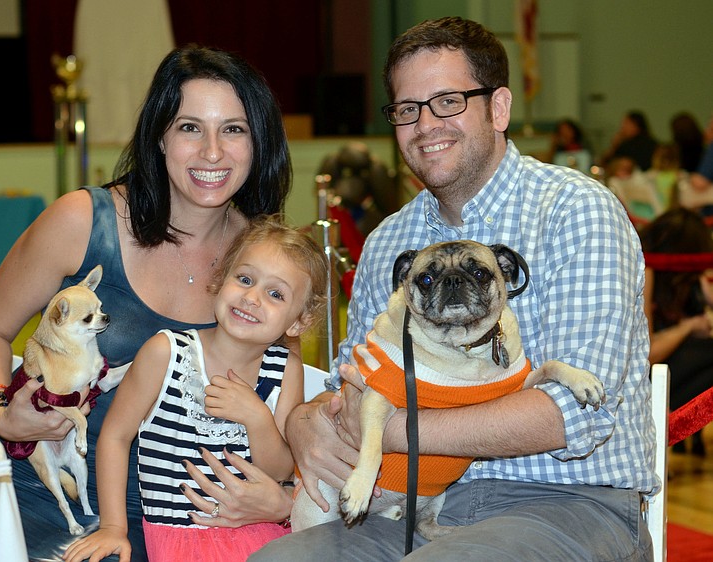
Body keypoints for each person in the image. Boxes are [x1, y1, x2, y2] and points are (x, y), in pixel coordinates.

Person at [251, 16, 656, 561]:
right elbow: (354, 379)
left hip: (566, 500)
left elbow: (574, 414)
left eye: (447, 101)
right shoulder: (389, 241)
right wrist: (304, 422)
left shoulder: (576, 211)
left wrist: (397, 431)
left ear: (500, 108)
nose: (424, 125)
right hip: (409, 505)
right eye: (407, 109)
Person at [0, 45, 292, 561]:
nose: (212, 152)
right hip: (51, 491)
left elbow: (280, 398)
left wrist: (282, 497)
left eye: (234, 129)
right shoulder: (84, 222)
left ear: (258, 144)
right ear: (160, 137)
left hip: (193, 518)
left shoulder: (266, 262)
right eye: (189, 127)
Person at [63, 217, 328, 562]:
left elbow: (279, 471)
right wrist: (114, 527)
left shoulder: (284, 369)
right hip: (182, 539)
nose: (251, 297)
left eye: (275, 294)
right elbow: (115, 435)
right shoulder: (165, 352)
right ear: (221, 281)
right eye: (244, 279)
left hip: (263, 534)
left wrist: (257, 416)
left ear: (298, 321)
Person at [639, 207, 713, 456]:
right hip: (642, 377)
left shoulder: (677, 280)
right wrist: (689, 326)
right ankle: (671, 429)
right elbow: (647, 354)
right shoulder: (646, 269)